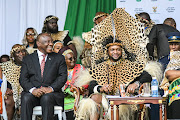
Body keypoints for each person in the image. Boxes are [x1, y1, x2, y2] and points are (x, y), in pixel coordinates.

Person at [20, 33, 67, 120]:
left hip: (52, 94)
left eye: (51, 41)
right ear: (38, 44)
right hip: (33, 94)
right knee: (26, 98)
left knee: (46, 98)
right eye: (47, 42)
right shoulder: (28, 59)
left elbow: (62, 76)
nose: (51, 44)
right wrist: (33, 90)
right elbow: (23, 79)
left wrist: (51, 88)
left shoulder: (59, 58)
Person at [0, 44, 28, 120]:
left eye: (23, 51)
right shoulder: (6, 67)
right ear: (13, 55)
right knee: (8, 101)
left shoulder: (31, 65)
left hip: (28, 92)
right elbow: (4, 81)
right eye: (18, 52)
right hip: (12, 93)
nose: (21, 54)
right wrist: (7, 89)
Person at [60, 48, 88, 120]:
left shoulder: (80, 67)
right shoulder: (60, 70)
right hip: (64, 97)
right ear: (64, 60)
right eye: (70, 58)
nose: (73, 60)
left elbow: (86, 82)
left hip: (78, 96)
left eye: (74, 58)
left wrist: (77, 88)